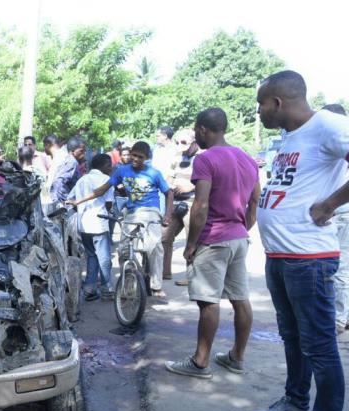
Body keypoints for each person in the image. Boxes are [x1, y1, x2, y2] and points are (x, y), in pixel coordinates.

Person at [250, 70, 349, 411]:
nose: (258, 111)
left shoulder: (328, 125)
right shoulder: (291, 137)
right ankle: (294, 402)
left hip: (309, 258)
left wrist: (329, 204)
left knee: (319, 344)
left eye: (261, 104)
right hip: (281, 255)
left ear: (277, 102)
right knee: (293, 337)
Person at [164, 108, 260, 379]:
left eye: (196, 131)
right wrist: (241, 228)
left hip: (214, 238)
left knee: (208, 301)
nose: (196, 135)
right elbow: (254, 202)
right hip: (239, 238)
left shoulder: (206, 160)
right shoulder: (247, 159)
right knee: (241, 299)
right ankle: (236, 357)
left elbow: (201, 204)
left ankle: (200, 362)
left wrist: (191, 244)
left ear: (203, 129)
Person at [68, 141, 173, 298]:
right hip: (131, 213)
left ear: (146, 158)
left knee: (155, 248)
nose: (136, 159)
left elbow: (169, 193)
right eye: (134, 155)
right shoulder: (122, 171)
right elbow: (101, 190)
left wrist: (167, 215)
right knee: (123, 251)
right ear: (130, 153)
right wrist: (78, 201)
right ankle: (130, 282)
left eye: (140, 157)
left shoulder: (154, 173)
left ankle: (156, 285)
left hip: (151, 212)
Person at [68, 154, 115, 301]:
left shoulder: (83, 179)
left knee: (91, 256)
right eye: (109, 165)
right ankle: (107, 289)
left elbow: (71, 198)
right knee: (104, 257)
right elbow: (108, 203)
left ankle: (90, 289)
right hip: (99, 223)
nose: (111, 168)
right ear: (104, 165)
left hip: (84, 224)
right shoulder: (106, 180)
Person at [322, 104, 349, 340]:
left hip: (341, 215)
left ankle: (339, 319)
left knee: (340, 270)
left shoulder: (340, 138)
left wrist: (330, 204)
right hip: (338, 214)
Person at [162, 129, 200, 284]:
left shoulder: (202, 157)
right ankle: (164, 272)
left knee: (192, 240)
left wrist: (190, 187)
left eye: (184, 142)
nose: (180, 146)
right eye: (178, 142)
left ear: (194, 142)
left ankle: (191, 277)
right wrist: (169, 184)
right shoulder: (177, 155)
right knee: (165, 237)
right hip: (175, 201)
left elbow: (210, 182)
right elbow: (169, 175)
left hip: (193, 203)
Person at [50, 137, 85, 204]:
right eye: (81, 151)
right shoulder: (72, 162)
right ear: (72, 151)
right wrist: (65, 202)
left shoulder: (69, 160)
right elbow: (58, 181)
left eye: (84, 151)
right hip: (67, 206)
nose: (84, 154)